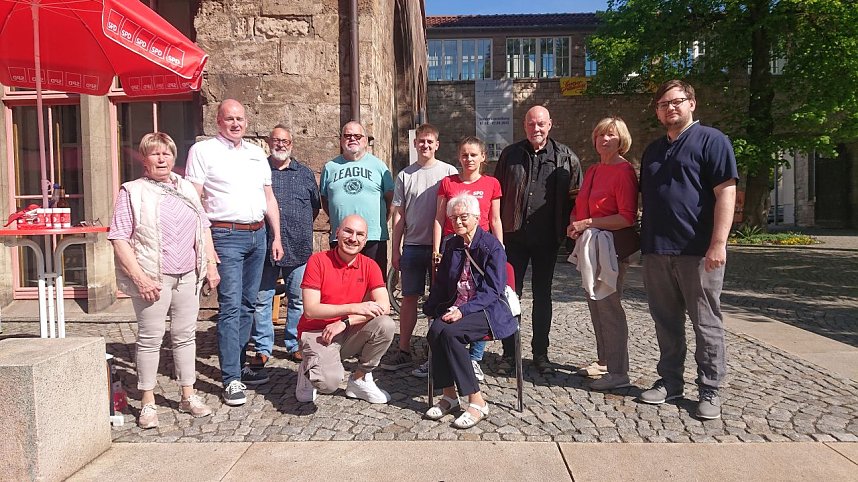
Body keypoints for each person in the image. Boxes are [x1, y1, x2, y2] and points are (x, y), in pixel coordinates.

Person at [637, 80, 738, 420]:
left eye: (677, 102)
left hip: (698, 251)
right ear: (658, 111)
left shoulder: (712, 140)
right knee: (665, 322)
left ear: (692, 103)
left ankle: (710, 388)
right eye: (664, 104)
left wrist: (718, 243)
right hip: (656, 250)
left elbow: (726, 192)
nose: (670, 108)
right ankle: (670, 381)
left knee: (706, 323)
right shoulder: (652, 150)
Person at [109, 132, 219, 428]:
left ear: (174, 158)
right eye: (155, 154)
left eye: (167, 154)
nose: (162, 159)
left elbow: (203, 226)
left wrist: (210, 264)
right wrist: (139, 279)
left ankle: (187, 394)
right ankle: (147, 402)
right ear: (144, 159)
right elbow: (119, 239)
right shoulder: (132, 191)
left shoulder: (186, 187)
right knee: (150, 339)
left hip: (188, 276)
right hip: (153, 278)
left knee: (185, 336)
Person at [185, 99, 284, 406]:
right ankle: (230, 379)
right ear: (218, 121)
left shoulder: (256, 154)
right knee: (229, 307)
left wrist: (276, 236)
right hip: (225, 235)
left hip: (257, 235)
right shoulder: (202, 152)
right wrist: (207, 246)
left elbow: (268, 198)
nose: (236, 123)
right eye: (230, 119)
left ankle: (238, 366)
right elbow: (194, 201)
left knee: (248, 305)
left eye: (240, 118)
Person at [494, 106, 582, 374]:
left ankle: (541, 353)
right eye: (532, 124)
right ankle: (510, 353)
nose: (536, 129)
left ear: (550, 124)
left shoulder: (566, 157)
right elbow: (496, 197)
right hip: (514, 237)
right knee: (511, 295)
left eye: (541, 124)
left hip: (547, 238)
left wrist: (573, 236)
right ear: (525, 125)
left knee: (543, 296)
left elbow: (576, 200)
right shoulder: (511, 155)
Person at [411, 136, 504, 379]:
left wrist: (500, 248)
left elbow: (494, 219)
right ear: (459, 157)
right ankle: (438, 355)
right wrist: (436, 249)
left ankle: (474, 358)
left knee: (477, 295)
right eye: (464, 154)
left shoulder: (491, 183)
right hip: (452, 247)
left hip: (481, 249)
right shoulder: (448, 183)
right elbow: (439, 218)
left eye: (474, 154)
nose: (469, 159)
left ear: (483, 157)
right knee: (448, 294)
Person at [423, 194, 517, 429]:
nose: (458, 222)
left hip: (488, 309)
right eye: (453, 218)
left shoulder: (492, 246)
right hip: (458, 306)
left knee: (452, 334)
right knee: (436, 331)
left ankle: (477, 401)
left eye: (464, 217)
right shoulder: (452, 244)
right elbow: (442, 283)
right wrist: (431, 307)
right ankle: (449, 396)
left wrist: (463, 311)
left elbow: (493, 291)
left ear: (477, 217)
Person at [567, 117, 639, 390]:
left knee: (609, 307)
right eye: (600, 135)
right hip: (590, 246)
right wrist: (575, 223)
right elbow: (582, 204)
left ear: (621, 140)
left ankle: (619, 373)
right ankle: (605, 361)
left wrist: (588, 223)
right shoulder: (595, 169)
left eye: (610, 135)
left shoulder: (624, 172)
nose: (604, 140)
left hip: (611, 247)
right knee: (595, 304)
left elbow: (626, 217)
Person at [379, 124, 457, 372]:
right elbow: (399, 215)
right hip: (412, 245)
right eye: (421, 141)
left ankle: (436, 351)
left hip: (441, 247)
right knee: (409, 298)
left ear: (437, 145)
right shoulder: (405, 175)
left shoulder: (449, 172)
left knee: (439, 300)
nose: (425, 145)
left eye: (429, 142)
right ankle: (404, 349)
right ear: (415, 144)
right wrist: (395, 249)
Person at [295, 214, 395, 404]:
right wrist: (354, 308)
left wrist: (345, 321)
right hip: (316, 332)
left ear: (365, 241)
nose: (353, 238)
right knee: (328, 384)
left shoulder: (370, 266)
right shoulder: (318, 261)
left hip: (346, 330)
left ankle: (360, 379)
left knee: (385, 325)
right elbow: (311, 310)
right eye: (348, 231)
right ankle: (308, 369)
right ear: (337, 232)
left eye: (360, 234)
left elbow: (384, 306)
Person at [250, 124, 320, 375]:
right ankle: (263, 347)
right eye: (276, 140)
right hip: (264, 247)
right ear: (269, 142)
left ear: (291, 144)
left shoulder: (304, 173)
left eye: (285, 141)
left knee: (298, 299)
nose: (281, 145)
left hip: (298, 246)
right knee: (262, 299)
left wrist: (298, 227)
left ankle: (293, 343)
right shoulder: (258, 170)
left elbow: (315, 207)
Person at [320, 121, 394, 276]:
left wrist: (379, 221)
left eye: (357, 136)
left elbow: (390, 199)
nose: (352, 139)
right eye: (347, 135)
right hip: (341, 238)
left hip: (373, 237)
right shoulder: (330, 167)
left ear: (365, 140)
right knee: (340, 282)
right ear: (341, 140)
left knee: (373, 284)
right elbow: (325, 200)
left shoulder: (379, 166)